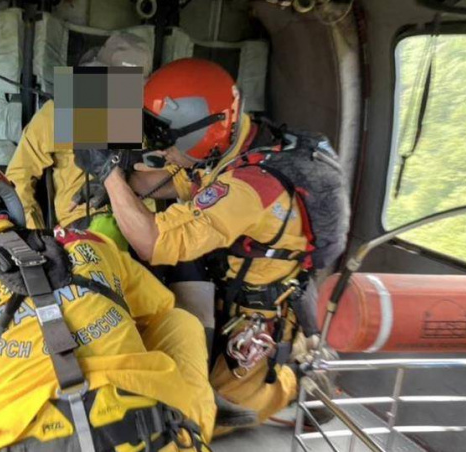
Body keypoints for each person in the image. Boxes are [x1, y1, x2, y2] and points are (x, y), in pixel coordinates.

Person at [74, 58, 344, 432]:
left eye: (166, 141)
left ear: (200, 132)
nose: (161, 151)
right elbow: (185, 184)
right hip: (228, 283)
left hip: (254, 317)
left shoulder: (251, 188)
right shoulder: (242, 145)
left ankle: (299, 380)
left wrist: (109, 177)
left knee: (194, 420)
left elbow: (155, 241)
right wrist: (119, 179)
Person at [0, 153, 215, 451]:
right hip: (146, 431)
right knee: (180, 322)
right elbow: (160, 310)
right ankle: (192, 432)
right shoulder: (94, 243)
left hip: (29, 442)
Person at [5, 33, 153, 231]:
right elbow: (19, 177)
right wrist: (35, 235)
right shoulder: (63, 109)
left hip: (140, 220)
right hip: (83, 226)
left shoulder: (144, 115)